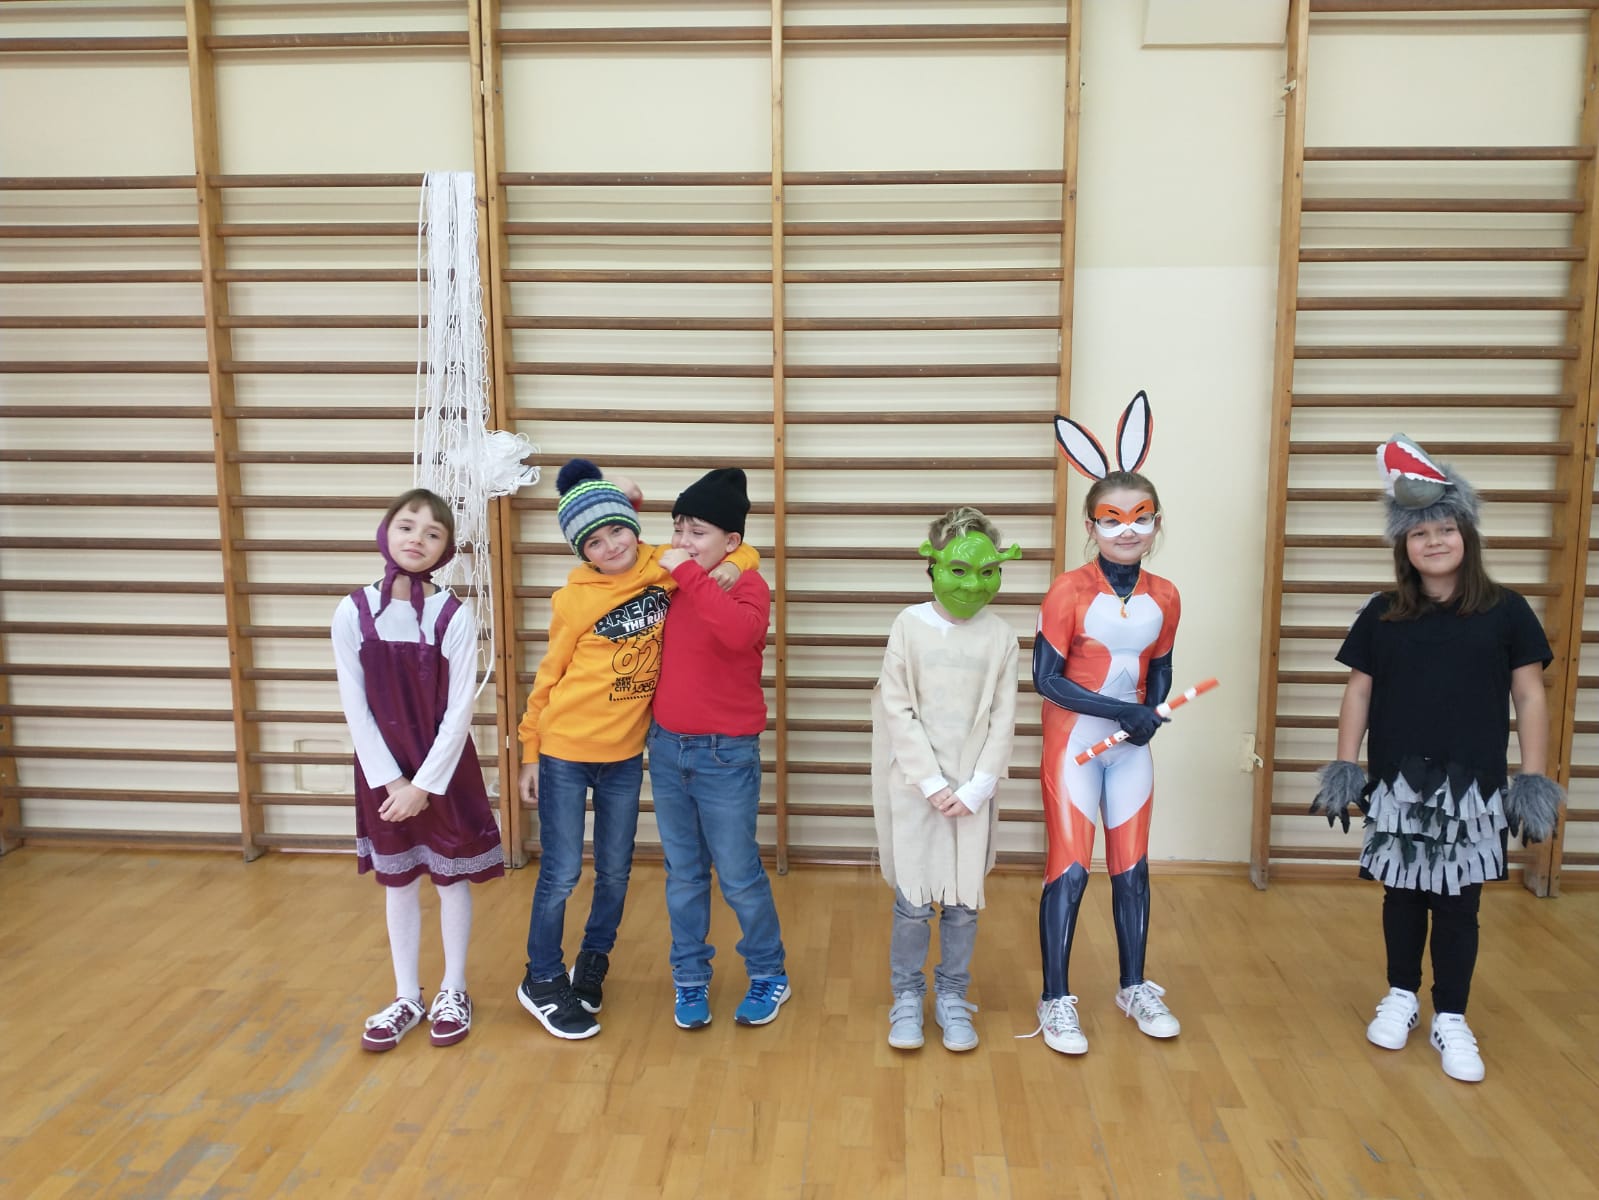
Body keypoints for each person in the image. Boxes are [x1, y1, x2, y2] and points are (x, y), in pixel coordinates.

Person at [1311, 435, 1562, 1084]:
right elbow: (1358, 691)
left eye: (1445, 529)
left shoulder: (1506, 612)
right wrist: (1346, 766)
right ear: (1403, 545)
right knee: (1401, 893)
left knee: (1457, 902)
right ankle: (1401, 993)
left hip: (1471, 789)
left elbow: (1530, 695)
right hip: (1399, 782)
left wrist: (1532, 777)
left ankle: (1450, 1012)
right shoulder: (1383, 614)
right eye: (1419, 533)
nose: (1433, 541)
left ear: (1466, 534)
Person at [515, 460, 755, 1041]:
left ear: (634, 527)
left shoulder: (659, 565)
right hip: (565, 749)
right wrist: (529, 749)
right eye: (594, 542)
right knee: (562, 873)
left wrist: (736, 566)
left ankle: (592, 963)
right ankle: (541, 978)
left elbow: (734, 551)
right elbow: (548, 677)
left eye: (618, 531)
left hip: (624, 754)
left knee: (616, 873)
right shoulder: (573, 599)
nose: (611, 546)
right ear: (582, 552)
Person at [1027, 392, 1182, 1057]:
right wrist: (1124, 711)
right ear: (1091, 526)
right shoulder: (1067, 590)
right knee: (1068, 870)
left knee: (1131, 869)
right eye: (1112, 519)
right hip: (1075, 746)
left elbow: (1162, 667)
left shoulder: (1165, 595)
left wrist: (1153, 715)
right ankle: (1055, 998)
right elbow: (1046, 679)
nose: (1127, 530)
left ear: (1155, 523)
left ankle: (1133, 986)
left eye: (1140, 518)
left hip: (1130, 750)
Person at [332, 487, 505, 1053]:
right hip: (383, 774)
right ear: (387, 532)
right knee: (399, 880)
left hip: (444, 771)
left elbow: (460, 710)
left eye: (433, 533)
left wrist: (425, 786)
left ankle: (455, 989)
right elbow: (355, 708)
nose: (417, 539)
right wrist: (395, 784)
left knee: (451, 879)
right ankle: (407, 994)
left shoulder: (454, 614)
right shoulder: (353, 611)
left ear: (445, 548)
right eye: (407, 526)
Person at [872, 507, 1021, 1052]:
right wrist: (932, 783)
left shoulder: (1001, 636)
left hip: (973, 792)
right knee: (914, 902)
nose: (972, 585)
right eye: (959, 570)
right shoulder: (908, 627)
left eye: (986, 572)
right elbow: (897, 707)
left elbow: (1004, 715)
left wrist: (977, 786)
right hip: (917, 788)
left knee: (962, 902)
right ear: (933, 567)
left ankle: (954, 995)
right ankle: (907, 995)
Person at [648, 468, 790, 1029]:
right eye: (678, 528)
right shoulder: (672, 579)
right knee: (684, 875)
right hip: (667, 750)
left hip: (725, 756)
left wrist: (707, 568)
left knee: (737, 875)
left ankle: (769, 972)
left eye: (697, 531)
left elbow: (737, 634)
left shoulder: (747, 585)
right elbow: (611, 550)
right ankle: (689, 978)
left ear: (731, 541)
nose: (683, 541)